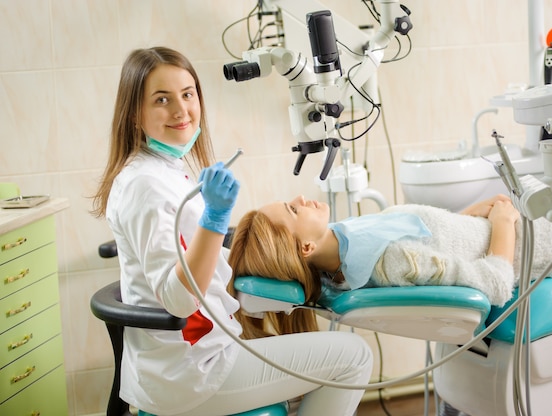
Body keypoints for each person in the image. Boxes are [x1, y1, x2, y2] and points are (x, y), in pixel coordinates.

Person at [91, 47, 373, 416]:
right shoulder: (146, 185)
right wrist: (215, 217)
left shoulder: (163, 170)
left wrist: (242, 249)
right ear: (134, 114)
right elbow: (177, 299)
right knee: (353, 357)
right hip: (193, 374)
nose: (181, 111)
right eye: (162, 99)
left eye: (188, 94)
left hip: (189, 361)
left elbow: (191, 258)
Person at [227, 193, 552, 338]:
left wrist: (477, 215)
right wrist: (503, 224)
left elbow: (432, 239)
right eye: (294, 209)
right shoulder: (386, 262)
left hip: (536, 225)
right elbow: (494, 282)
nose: (301, 197)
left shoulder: (348, 245)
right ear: (306, 247)